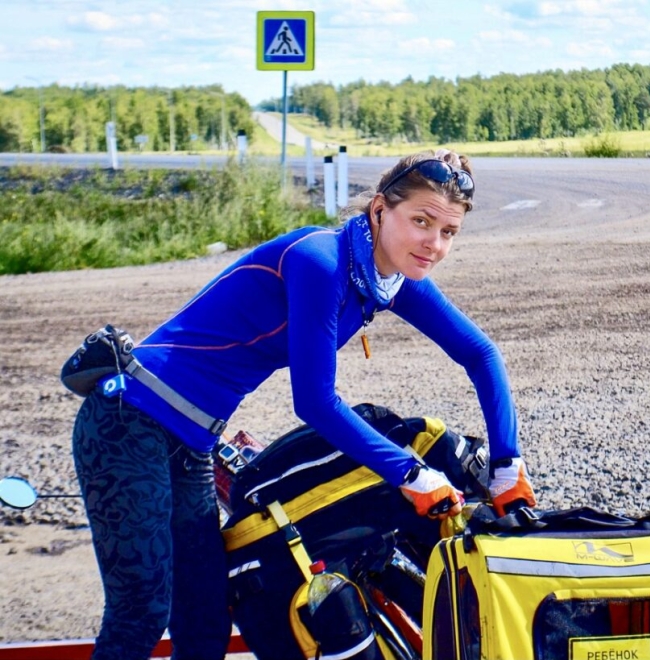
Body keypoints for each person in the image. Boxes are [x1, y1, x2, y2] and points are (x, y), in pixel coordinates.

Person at [71, 148, 536, 659]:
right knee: (141, 610)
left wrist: (506, 465)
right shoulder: (322, 260)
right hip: (127, 421)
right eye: (421, 221)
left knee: (204, 619)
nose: (434, 244)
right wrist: (412, 474)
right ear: (380, 209)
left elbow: (481, 353)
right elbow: (314, 402)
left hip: (190, 442)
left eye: (448, 233)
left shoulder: (385, 277)